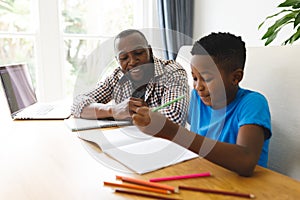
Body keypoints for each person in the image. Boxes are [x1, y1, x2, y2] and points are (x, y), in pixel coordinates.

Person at [132, 32, 272, 177]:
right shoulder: (198, 98)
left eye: (206, 78)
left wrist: (173, 132)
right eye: (194, 78)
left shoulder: (253, 103)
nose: (198, 86)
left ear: (236, 77)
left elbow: (246, 161)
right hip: (205, 176)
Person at [71, 29, 189, 125]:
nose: (132, 62)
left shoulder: (172, 72)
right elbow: (77, 104)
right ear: (118, 60)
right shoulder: (117, 77)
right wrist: (113, 110)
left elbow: (176, 116)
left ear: (150, 51)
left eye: (138, 53)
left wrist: (130, 113)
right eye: (124, 58)